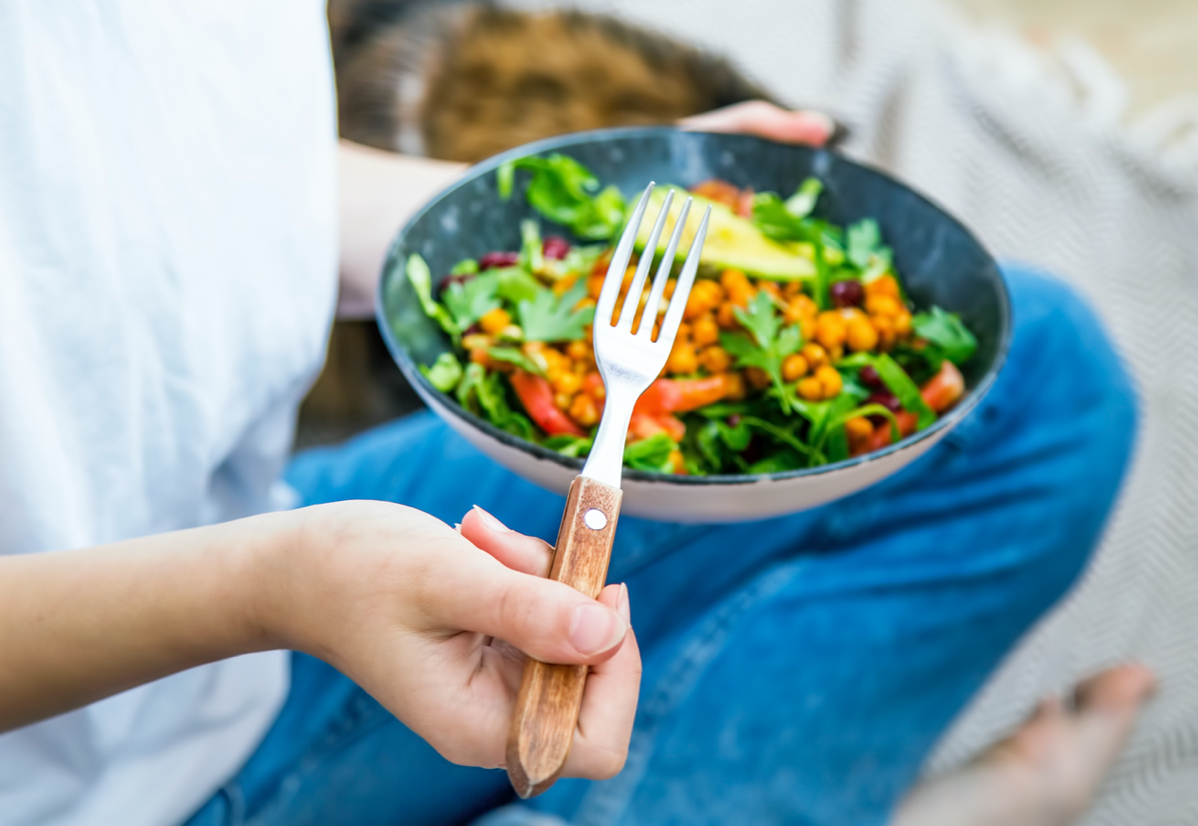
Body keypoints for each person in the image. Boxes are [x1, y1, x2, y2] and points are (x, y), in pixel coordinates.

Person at [0, 4, 1148, 825]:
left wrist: (564, 227)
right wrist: (276, 585)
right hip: (117, 756)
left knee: (1043, 382)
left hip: (249, 523)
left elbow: (145, 181)